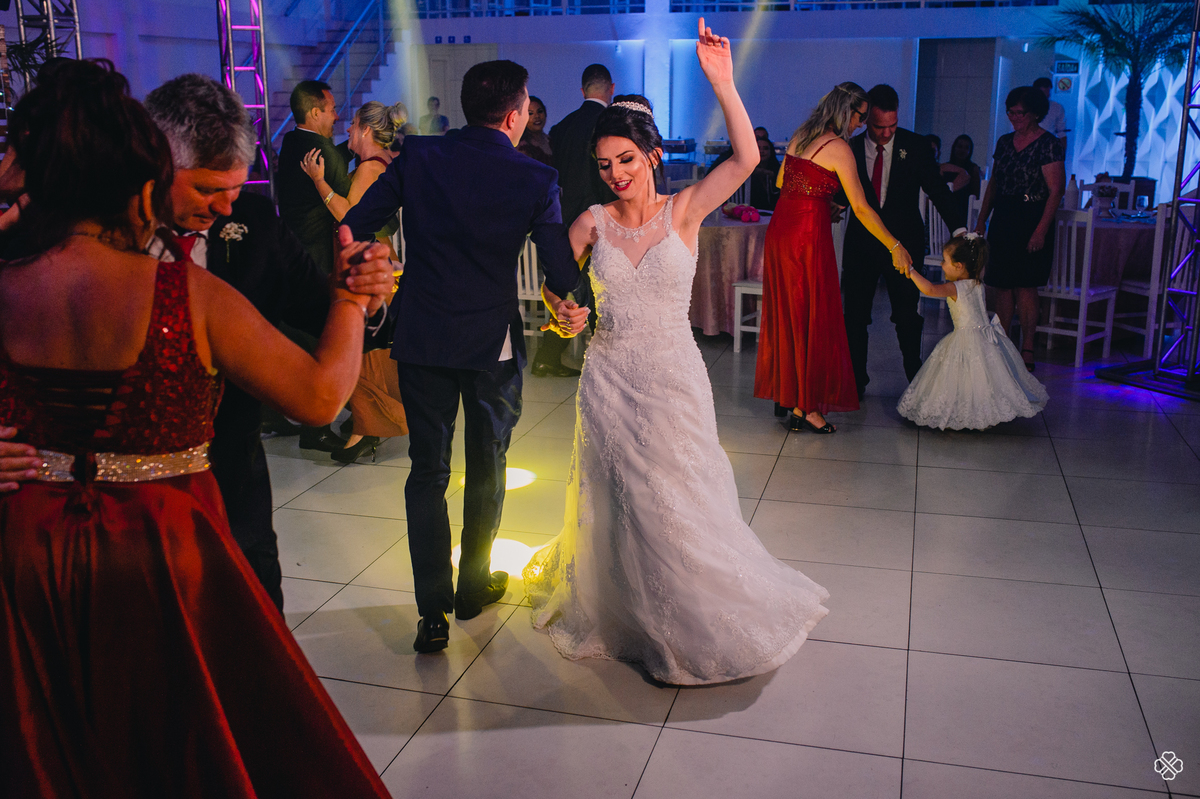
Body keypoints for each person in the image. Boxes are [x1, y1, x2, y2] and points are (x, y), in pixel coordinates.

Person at [0, 59, 392, 797]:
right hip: (167, 542)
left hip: (33, 544)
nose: (220, 206)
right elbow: (317, 397)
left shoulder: (11, 275)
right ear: (144, 168)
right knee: (184, 737)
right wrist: (351, 300)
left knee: (61, 738)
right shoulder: (184, 292)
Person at [522, 21, 830, 686]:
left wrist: (722, 81)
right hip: (605, 376)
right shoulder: (590, 224)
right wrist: (564, 315)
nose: (615, 174)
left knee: (675, 494)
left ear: (653, 157)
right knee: (617, 499)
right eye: (604, 165)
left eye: (626, 161)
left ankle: (687, 616)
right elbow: (555, 290)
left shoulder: (685, 210)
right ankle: (625, 614)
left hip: (671, 377)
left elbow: (748, 160)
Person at [343, 59, 589, 654]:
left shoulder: (420, 156)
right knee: (488, 463)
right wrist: (576, 305)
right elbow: (559, 269)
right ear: (516, 114)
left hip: (423, 336)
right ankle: (473, 586)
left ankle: (432, 614)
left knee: (426, 472)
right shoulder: (534, 178)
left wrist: (375, 282)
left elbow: (353, 227)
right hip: (490, 345)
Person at [143, 74, 393, 608]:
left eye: (235, 190)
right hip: (124, 508)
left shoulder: (254, 223)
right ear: (156, 164)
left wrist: (364, 298)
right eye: (208, 190)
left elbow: (318, 307)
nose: (225, 209)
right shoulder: (99, 238)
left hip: (232, 477)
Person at [754, 84, 912, 433]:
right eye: (860, 117)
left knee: (790, 317)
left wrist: (819, 200)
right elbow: (861, 208)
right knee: (812, 315)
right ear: (847, 113)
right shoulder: (840, 148)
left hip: (781, 231)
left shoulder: (801, 134)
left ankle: (794, 400)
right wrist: (894, 244)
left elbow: (784, 182)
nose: (860, 124)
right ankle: (808, 407)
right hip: (807, 238)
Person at [841, 84, 966, 399]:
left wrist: (960, 229)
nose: (885, 133)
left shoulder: (917, 145)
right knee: (855, 315)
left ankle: (916, 377)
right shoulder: (850, 148)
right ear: (867, 119)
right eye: (879, 127)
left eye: (892, 126)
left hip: (905, 243)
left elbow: (937, 190)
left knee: (907, 315)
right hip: (861, 243)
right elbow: (846, 194)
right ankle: (856, 381)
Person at [303, 100, 409, 463]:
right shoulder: (380, 163)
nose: (346, 130)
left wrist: (319, 182)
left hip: (368, 265)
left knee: (364, 353)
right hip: (374, 261)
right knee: (369, 351)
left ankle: (368, 428)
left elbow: (352, 216)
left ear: (365, 129)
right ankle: (366, 426)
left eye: (351, 125)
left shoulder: (370, 167)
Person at [898, 234, 1048, 428]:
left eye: (945, 261)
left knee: (963, 376)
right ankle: (983, 413)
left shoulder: (955, 287)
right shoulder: (978, 283)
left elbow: (929, 290)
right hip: (986, 338)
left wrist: (910, 271)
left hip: (966, 338)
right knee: (983, 378)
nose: (942, 265)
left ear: (959, 266)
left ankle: (964, 414)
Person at [531, 63, 619, 378]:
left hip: (564, 218)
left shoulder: (562, 127)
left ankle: (547, 354)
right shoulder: (611, 123)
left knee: (566, 285)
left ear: (582, 91)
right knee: (598, 291)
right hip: (599, 219)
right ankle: (601, 359)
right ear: (611, 89)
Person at [974, 86, 1066, 372]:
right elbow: (995, 183)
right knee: (1001, 282)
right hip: (1005, 215)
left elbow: (1056, 190)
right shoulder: (1004, 143)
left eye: (1020, 113)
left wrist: (1040, 231)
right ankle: (1003, 342)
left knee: (1026, 284)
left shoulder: (1048, 143)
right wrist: (982, 219)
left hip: (1032, 215)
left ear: (1035, 113)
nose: (1014, 117)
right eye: (1010, 112)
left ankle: (1027, 346)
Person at [276, 80, 351, 276]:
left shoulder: (291, 140)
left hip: (291, 251)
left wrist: (352, 147)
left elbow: (331, 154)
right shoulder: (326, 154)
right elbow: (347, 208)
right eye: (332, 109)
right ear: (316, 113)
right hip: (320, 259)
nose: (337, 116)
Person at [940, 133, 982, 223]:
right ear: (954, 147)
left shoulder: (973, 169)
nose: (962, 150)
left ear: (970, 151)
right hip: (946, 208)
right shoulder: (946, 167)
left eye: (966, 148)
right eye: (959, 146)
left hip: (964, 210)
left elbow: (976, 194)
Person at [749, 130, 781, 211]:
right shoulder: (747, 171)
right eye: (758, 148)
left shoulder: (778, 170)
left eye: (765, 148)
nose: (762, 151)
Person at [517, 95, 553, 166]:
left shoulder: (551, 140)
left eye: (539, 111)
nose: (537, 116)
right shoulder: (522, 146)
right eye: (530, 113)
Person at [1034, 77, 1067, 149]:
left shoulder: (1056, 107)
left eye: (1048, 92)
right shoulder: (1025, 106)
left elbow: (1061, 131)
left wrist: (1062, 153)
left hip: (1047, 146)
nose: (1047, 94)